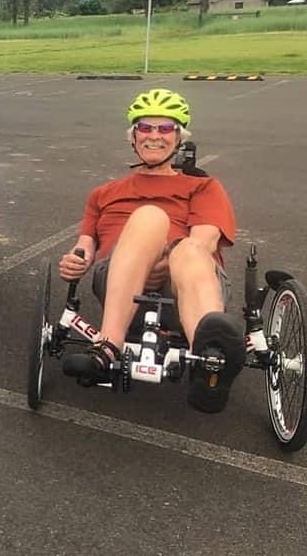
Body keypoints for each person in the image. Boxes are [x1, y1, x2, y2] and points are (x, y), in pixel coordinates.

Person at [58, 88, 242, 413]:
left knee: (186, 247)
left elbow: (205, 241)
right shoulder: (103, 193)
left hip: (188, 282)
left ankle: (207, 358)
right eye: (145, 128)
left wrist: (167, 261)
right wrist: (75, 261)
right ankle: (109, 345)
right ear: (133, 137)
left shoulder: (203, 186)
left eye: (165, 128)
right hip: (122, 284)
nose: (154, 136)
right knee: (149, 216)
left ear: (178, 137)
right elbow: (84, 245)